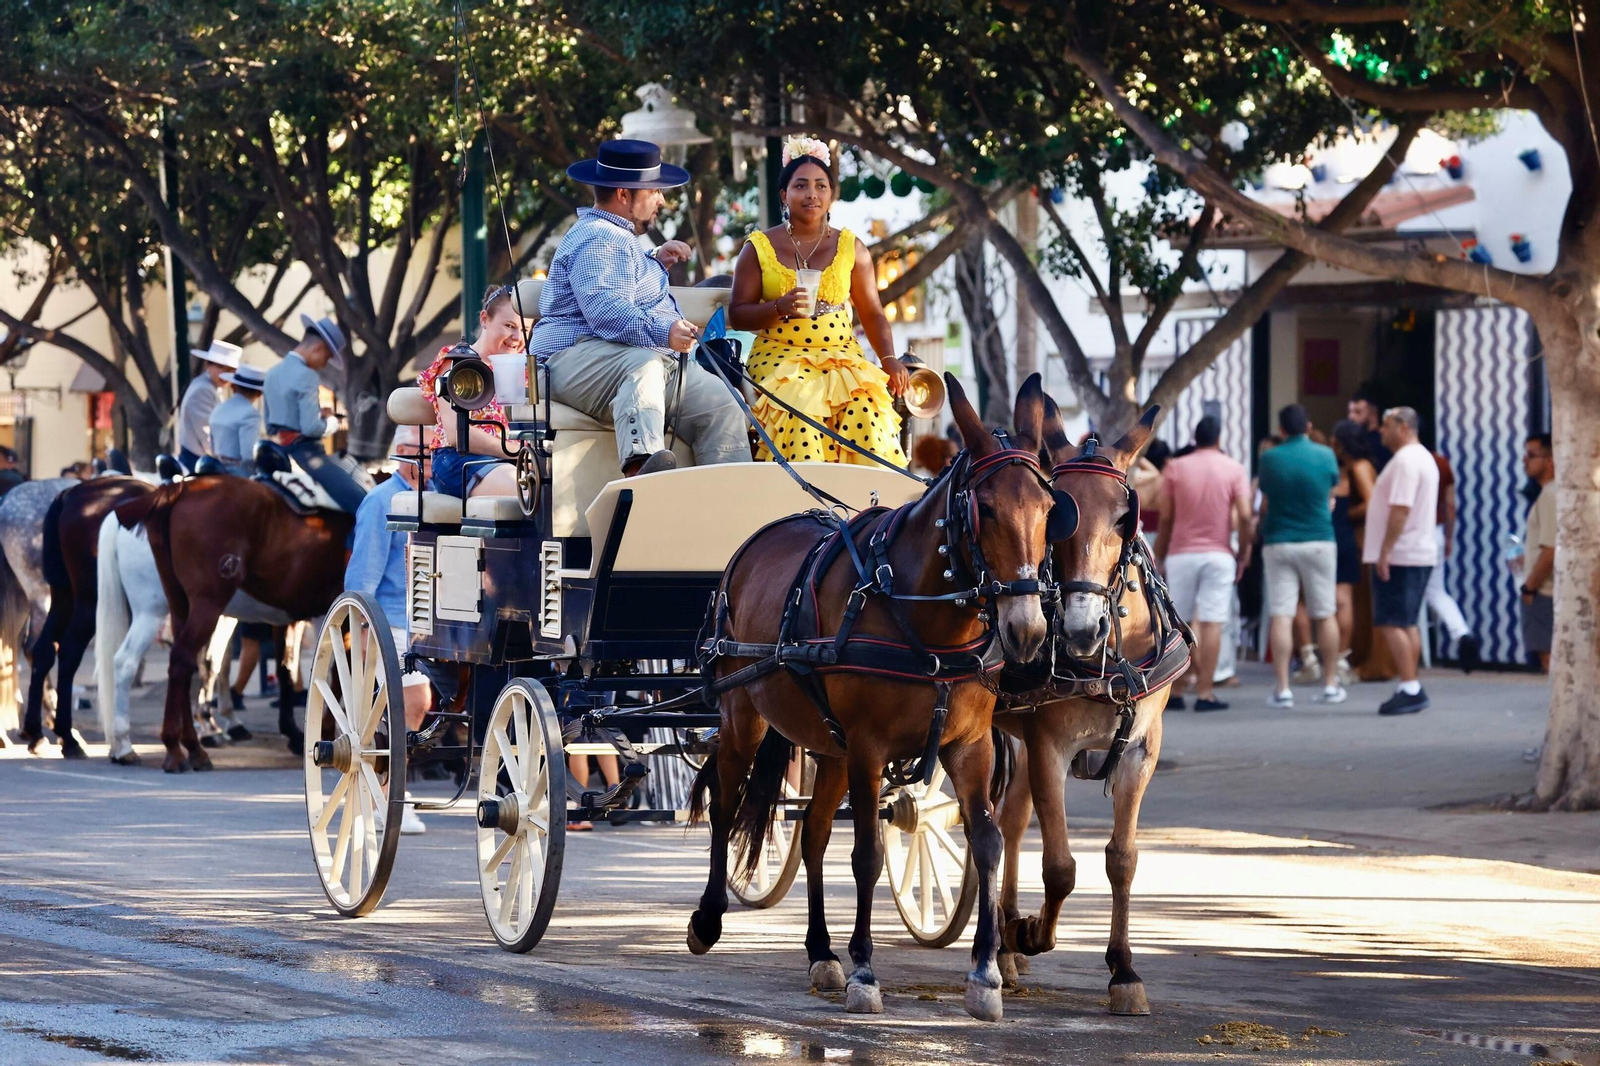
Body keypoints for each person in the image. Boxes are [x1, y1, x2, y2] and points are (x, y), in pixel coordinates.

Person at [533, 139, 750, 476]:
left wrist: (654, 262)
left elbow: (621, 282)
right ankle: (642, 475)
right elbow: (605, 309)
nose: (661, 200)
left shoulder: (615, 238)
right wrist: (665, 330)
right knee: (643, 365)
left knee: (721, 403)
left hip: (631, 362)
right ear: (624, 195)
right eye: (654, 191)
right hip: (572, 359)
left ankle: (730, 499)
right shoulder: (599, 237)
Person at [729, 136, 909, 464]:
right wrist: (778, 308)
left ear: (830, 195)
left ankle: (870, 496)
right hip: (781, 357)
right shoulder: (758, 247)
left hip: (841, 356)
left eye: (820, 186)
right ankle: (805, 495)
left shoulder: (851, 247)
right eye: (801, 186)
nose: (812, 194)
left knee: (865, 408)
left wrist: (889, 358)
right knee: (799, 406)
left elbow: (872, 313)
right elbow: (738, 315)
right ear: (784, 195)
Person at [344, 424, 432, 834]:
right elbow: (363, 573)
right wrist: (363, 627)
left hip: (426, 623)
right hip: (391, 619)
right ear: (405, 455)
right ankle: (390, 795)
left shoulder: (436, 497)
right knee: (410, 703)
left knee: (413, 709)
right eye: (425, 453)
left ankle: (388, 791)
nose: (431, 460)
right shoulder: (381, 501)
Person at [1156, 416, 1251, 712]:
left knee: (1179, 622)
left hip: (1181, 554)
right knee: (1212, 623)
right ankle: (1206, 693)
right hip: (1219, 554)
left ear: (1195, 439)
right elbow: (1245, 516)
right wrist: (1244, 550)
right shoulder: (1234, 469)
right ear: (1219, 439)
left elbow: (1166, 518)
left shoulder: (1175, 468)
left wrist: (1160, 554)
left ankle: (1177, 690)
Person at [1256, 404, 1344, 707]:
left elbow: (1266, 498)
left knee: (1282, 614)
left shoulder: (1269, 458)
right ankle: (1331, 684)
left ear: (1281, 430)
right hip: (1319, 539)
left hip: (1279, 540)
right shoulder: (1326, 454)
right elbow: (1330, 493)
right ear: (1308, 426)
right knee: (1325, 613)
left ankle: (1283, 689)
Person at [1362, 407, 1440, 715]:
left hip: (1403, 553)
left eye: (1386, 425)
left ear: (1404, 427)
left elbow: (1400, 509)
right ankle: (1410, 683)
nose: (1381, 431)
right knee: (1407, 622)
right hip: (1416, 551)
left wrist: (1385, 551)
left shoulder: (1406, 461)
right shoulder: (1423, 458)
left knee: (1392, 621)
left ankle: (1410, 686)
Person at [419, 286, 527, 498]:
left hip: (514, 459)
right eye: (509, 326)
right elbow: (456, 434)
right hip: (461, 458)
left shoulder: (523, 367)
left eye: (525, 329)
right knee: (528, 491)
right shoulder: (458, 361)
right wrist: (516, 451)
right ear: (484, 319)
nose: (517, 337)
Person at [262, 315, 366, 512]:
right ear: (318, 348)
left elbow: (270, 424)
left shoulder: (272, 372)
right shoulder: (307, 375)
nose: (324, 364)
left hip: (278, 451)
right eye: (327, 357)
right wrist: (333, 422)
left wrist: (317, 413)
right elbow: (311, 428)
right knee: (363, 503)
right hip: (306, 453)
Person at [1330, 420, 1377, 680]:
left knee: (1346, 601)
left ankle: (1344, 657)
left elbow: (1372, 502)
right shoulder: (1358, 467)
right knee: (1349, 600)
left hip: (1354, 538)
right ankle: (1346, 656)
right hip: (1355, 540)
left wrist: (1347, 514)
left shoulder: (1357, 468)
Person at [1426, 449, 1481, 671]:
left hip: (1414, 536)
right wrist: (1448, 537)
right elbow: (1450, 505)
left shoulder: (1405, 460)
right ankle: (1461, 632)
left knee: (1411, 595)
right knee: (1436, 591)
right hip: (1436, 532)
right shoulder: (1442, 463)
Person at [1518, 432, 1556, 673]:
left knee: (1551, 661)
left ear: (1550, 460)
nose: (1525, 460)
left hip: (1545, 591)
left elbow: (1551, 550)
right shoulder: (1552, 493)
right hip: (1547, 589)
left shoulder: (1550, 495)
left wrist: (1530, 587)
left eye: (1531, 455)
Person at [175, 341, 242, 471]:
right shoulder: (204, 390)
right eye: (221, 367)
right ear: (208, 365)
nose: (225, 374)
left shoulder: (212, 386)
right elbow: (206, 433)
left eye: (231, 370)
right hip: (198, 461)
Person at [209, 363, 266, 476]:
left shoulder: (219, 408)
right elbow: (249, 454)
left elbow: (212, 444)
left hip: (215, 469)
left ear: (233, 387)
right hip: (238, 473)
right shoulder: (250, 413)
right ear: (259, 394)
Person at [1348, 388, 1392, 470]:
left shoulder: (1384, 442)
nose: (1351, 417)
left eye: (1358, 412)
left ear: (1373, 413)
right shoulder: (1353, 441)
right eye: (1350, 412)